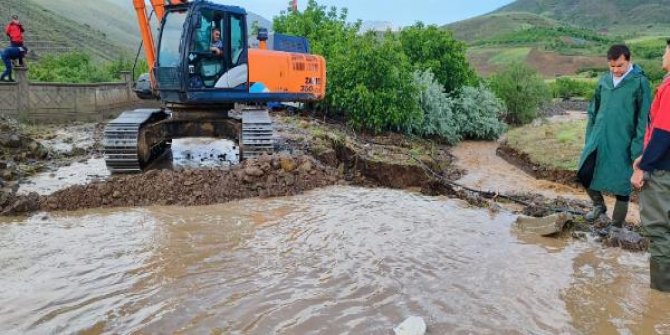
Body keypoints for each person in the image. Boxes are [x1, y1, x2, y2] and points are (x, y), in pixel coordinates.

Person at [577, 44, 651, 228]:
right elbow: (594, 110)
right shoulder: (604, 81)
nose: (616, 70)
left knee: (622, 186)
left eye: (620, 65)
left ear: (628, 60)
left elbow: (643, 120)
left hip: (623, 142)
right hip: (599, 138)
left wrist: (637, 150)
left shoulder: (640, 82)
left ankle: (616, 227)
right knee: (584, 172)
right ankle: (598, 205)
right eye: (612, 66)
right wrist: (590, 136)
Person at [631, 39, 670, 292]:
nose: (663, 54)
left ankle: (661, 295)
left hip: (663, 170)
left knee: (658, 231)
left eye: (667, 49)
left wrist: (643, 167)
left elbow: (664, 133)